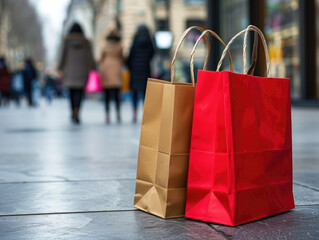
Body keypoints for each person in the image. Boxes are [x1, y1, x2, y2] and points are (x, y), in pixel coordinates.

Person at [58, 23, 95, 124]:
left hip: (70, 71)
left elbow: (63, 55)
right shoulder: (86, 41)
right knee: (79, 92)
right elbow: (90, 56)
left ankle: (72, 111)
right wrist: (93, 67)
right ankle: (77, 111)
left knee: (71, 92)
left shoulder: (67, 41)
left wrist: (60, 67)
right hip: (83, 71)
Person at [127, 24, 155, 123]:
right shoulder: (149, 41)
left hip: (135, 70)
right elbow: (152, 53)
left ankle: (134, 114)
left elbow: (130, 56)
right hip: (145, 70)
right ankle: (145, 114)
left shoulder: (135, 42)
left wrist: (130, 66)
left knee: (134, 93)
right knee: (145, 93)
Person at [99, 29, 124, 124]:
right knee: (117, 95)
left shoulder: (105, 47)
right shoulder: (119, 47)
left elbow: (101, 59)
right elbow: (122, 58)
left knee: (107, 95)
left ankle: (107, 115)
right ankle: (118, 113)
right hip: (117, 70)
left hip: (106, 70)